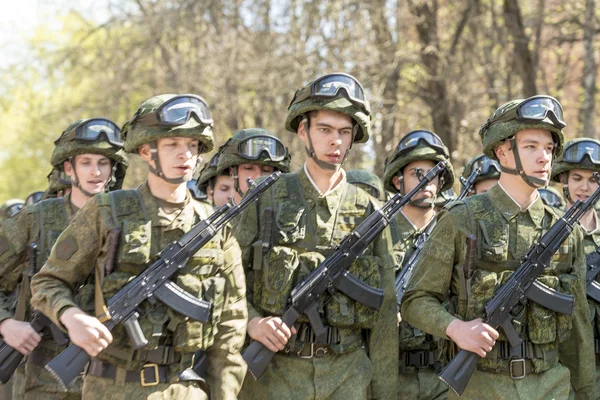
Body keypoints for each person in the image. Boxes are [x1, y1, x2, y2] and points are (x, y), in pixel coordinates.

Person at [30, 94, 247, 400]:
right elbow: (48, 281)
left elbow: (230, 326)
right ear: (146, 150)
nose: (184, 154)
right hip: (113, 388)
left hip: (185, 388)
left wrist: (224, 395)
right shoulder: (107, 212)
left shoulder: (214, 225)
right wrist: (72, 317)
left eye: (191, 145)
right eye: (172, 144)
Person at [401, 95, 595, 399]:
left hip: (551, 386)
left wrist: (586, 393)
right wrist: (455, 328)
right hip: (481, 386)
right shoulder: (460, 218)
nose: (544, 157)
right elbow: (415, 301)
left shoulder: (564, 229)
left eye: (548, 148)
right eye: (531, 147)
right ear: (503, 152)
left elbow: (579, 331)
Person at [234, 73, 397, 399]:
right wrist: (253, 324)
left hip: (347, 378)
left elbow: (385, 315)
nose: (335, 141)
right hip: (274, 378)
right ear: (303, 131)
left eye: (344, 132)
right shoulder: (264, 200)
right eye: (324, 129)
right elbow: (231, 287)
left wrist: (384, 392)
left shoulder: (371, 211)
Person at [0, 118, 129, 400]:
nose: (95, 172)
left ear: (113, 168)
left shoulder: (130, 219)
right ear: (69, 168)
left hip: (114, 379)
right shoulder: (38, 218)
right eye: (86, 162)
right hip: (45, 380)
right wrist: (6, 323)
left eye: (103, 163)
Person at [382, 129, 455, 400]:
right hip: (390, 375)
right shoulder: (379, 234)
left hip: (443, 376)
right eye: (416, 173)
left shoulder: (454, 231)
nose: (426, 181)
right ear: (397, 179)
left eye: (432, 174)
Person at [551, 137, 600, 398]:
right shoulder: (548, 232)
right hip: (562, 365)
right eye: (577, 178)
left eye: (593, 179)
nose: (585, 187)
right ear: (563, 181)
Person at [216, 128, 291, 204]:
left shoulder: (287, 214)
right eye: (249, 168)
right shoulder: (215, 215)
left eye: (266, 170)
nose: (258, 176)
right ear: (232, 173)